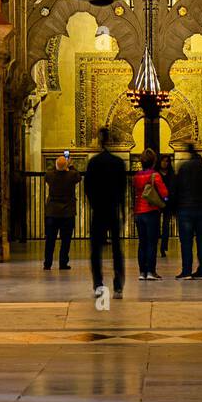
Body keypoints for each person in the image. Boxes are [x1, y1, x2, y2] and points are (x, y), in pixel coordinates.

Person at [84, 128, 127, 298]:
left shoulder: (93, 163)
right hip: (113, 209)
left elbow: (87, 188)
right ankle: (118, 285)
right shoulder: (118, 162)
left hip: (99, 210)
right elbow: (123, 189)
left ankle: (98, 284)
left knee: (96, 250)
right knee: (117, 249)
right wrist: (122, 209)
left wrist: (93, 204)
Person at [172, 144, 202, 280]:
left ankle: (186, 271)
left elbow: (176, 189)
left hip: (185, 209)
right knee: (201, 239)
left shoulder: (183, 168)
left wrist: (174, 208)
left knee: (186, 242)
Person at [133, 148, 169, 281]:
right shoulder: (155, 175)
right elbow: (164, 193)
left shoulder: (136, 176)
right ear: (154, 162)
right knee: (152, 242)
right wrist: (165, 201)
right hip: (151, 212)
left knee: (142, 242)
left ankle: (142, 272)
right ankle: (151, 271)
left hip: (138, 212)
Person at [43, 155, 81, 270]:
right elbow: (78, 177)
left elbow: (52, 172)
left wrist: (59, 167)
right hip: (67, 213)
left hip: (52, 212)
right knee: (66, 240)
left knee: (50, 239)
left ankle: (47, 263)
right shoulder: (72, 175)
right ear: (66, 166)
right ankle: (63, 262)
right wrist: (71, 165)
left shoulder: (49, 175)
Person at [157, 152, 176, 257]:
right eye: (163, 161)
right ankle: (158, 244)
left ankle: (163, 246)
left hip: (168, 203)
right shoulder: (156, 174)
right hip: (157, 202)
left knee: (165, 226)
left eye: (167, 161)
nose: (165, 163)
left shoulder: (171, 174)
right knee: (156, 226)